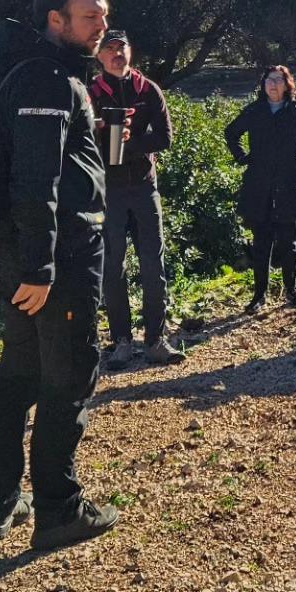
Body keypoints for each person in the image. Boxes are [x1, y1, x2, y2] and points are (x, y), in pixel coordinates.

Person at [0, 0, 120, 551]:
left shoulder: (38, 72)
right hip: (55, 258)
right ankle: (59, 509)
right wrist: (40, 266)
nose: (102, 25)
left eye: (103, 14)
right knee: (68, 377)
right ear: (56, 20)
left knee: (20, 376)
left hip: (31, 255)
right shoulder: (45, 79)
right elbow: (37, 182)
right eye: (91, 16)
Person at [90, 29, 183, 366]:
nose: (117, 53)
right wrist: (103, 140)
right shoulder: (90, 93)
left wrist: (128, 147)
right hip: (108, 192)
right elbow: (78, 142)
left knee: (153, 264)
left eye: (122, 48)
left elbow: (165, 138)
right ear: (99, 56)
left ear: (131, 52)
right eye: (110, 48)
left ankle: (156, 340)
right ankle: (122, 341)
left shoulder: (148, 89)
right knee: (112, 267)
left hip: (144, 187)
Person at [225, 65, 296, 314]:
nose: (273, 85)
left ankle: (291, 290)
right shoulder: (255, 111)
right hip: (259, 187)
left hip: (288, 186)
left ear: (287, 85)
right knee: (261, 244)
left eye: (278, 80)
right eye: (269, 80)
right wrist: (244, 158)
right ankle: (259, 295)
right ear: (263, 85)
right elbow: (231, 133)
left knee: (289, 243)